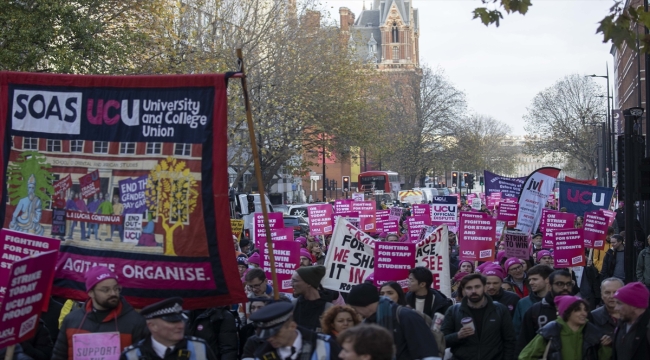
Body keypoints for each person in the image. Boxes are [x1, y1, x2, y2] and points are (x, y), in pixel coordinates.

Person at [54, 266, 146, 360]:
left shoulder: (136, 322)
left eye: (116, 288)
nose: (113, 293)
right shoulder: (71, 320)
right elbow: (58, 355)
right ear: (91, 293)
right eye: (105, 290)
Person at [347, 282, 439, 360]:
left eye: (355, 308)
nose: (355, 312)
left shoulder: (406, 316)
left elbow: (427, 350)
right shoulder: (366, 323)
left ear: (364, 305)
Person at [441, 273, 516, 360]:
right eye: (469, 288)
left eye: (477, 287)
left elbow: (510, 341)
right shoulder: (454, 311)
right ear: (464, 290)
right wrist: (458, 335)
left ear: (484, 288)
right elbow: (442, 341)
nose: (473, 291)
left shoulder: (499, 309)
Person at [519, 296, 612, 360]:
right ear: (567, 312)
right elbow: (525, 356)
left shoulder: (591, 331)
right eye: (578, 310)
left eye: (585, 309)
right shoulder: (550, 331)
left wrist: (606, 347)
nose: (584, 313)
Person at [121, 297, 216, 360]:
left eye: (181, 320)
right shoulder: (132, 355)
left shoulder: (200, 348)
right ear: (152, 326)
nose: (181, 326)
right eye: (173, 321)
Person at [245, 302, 340, 360]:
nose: (270, 339)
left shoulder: (325, 345)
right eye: (267, 335)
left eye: (276, 333)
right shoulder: (262, 354)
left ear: (292, 326)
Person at [516, 269, 573, 355]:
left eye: (568, 284)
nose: (565, 287)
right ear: (550, 286)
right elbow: (524, 342)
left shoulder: (581, 308)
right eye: (560, 284)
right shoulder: (535, 310)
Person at [612, 282, 650, 359]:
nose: (616, 308)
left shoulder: (647, 329)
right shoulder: (622, 324)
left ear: (634, 305)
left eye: (619, 303)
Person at [512, 265, 553, 334]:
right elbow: (516, 330)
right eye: (530, 280)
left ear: (547, 280)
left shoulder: (560, 302)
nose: (530, 283)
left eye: (535, 279)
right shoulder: (523, 303)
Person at [291, 265, 332, 332]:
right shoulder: (293, 306)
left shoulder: (328, 309)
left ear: (309, 283)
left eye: (295, 281)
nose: (291, 284)